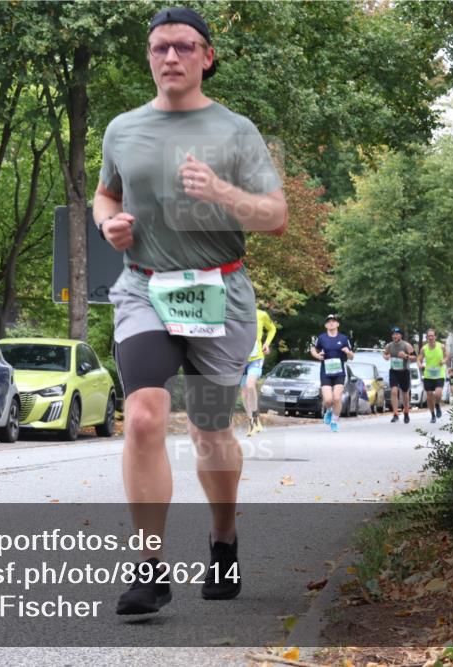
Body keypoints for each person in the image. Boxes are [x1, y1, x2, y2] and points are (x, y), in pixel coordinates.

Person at [93, 6, 287, 615]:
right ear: (148, 57)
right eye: (159, 47)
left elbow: (276, 217)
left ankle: (223, 539)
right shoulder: (122, 128)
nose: (170, 57)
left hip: (219, 294)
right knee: (146, 418)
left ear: (207, 57)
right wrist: (109, 225)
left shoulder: (237, 131)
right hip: (144, 288)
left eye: (183, 46)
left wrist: (223, 191)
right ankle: (149, 566)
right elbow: (106, 193)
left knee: (209, 431)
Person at [310, 314, 354, 433]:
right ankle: (329, 411)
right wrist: (317, 356)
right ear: (325, 325)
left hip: (339, 373)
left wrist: (347, 352)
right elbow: (313, 349)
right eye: (329, 321)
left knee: (337, 398)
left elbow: (351, 356)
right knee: (328, 400)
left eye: (333, 321)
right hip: (325, 372)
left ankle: (334, 421)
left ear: (337, 324)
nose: (331, 323)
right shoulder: (322, 338)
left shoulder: (344, 338)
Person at [241, 307, 277, 437]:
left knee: (250, 386)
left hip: (256, 358)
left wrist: (267, 343)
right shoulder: (234, 314)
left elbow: (272, 329)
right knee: (244, 393)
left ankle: (256, 419)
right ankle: (252, 422)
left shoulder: (261, 315)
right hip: (239, 360)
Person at [383, 326, 415, 424]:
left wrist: (405, 356)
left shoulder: (406, 345)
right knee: (393, 391)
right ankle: (395, 413)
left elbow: (414, 358)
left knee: (405, 393)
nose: (394, 336)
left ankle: (406, 412)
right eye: (393, 334)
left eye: (397, 334)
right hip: (393, 371)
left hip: (404, 371)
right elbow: (384, 354)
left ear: (400, 335)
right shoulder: (389, 345)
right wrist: (386, 356)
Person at [417, 328, 448, 423]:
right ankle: (432, 415)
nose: (430, 337)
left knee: (438, 393)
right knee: (429, 395)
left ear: (435, 337)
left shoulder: (441, 346)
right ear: (427, 338)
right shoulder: (424, 348)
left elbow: (447, 355)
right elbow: (419, 359)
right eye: (429, 336)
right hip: (428, 375)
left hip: (439, 374)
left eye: (432, 336)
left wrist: (443, 360)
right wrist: (420, 365)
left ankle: (437, 405)